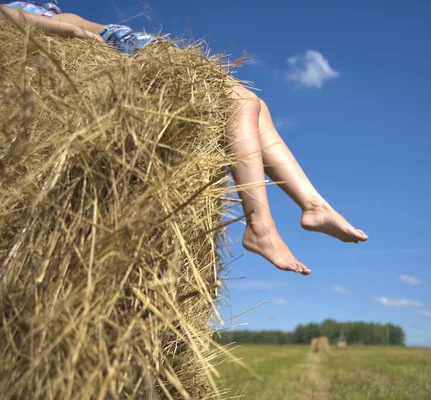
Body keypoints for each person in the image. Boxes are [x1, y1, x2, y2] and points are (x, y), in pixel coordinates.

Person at [0, 1, 369, 276]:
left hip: (116, 39)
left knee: (255, 104)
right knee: (239, 101)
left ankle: (313, 205)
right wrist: (68, 32)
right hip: (113, 43)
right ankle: (260, 226)